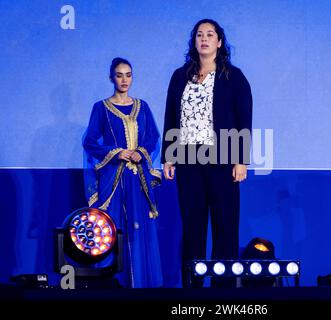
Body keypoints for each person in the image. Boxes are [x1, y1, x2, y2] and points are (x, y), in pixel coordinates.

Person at [162, 19, 252, 287]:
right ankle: (192, 288)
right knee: (193, 228)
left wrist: (241, 160)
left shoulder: (233, 76)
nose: (204, 39)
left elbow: (244, 119)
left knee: (225, 227)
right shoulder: (180, 76)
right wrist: (168, 155)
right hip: (189, 161)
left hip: (222, 160)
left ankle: (222, 290)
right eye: (199, 35)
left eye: (210, 35)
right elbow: (171, 116)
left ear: (219, 42)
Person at [83, 57, 163, 288]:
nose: (124, 79)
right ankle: (108, 287)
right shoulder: (101, 108)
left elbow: (153, 138)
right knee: (111, 227)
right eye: (119, 75)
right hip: (113, 179)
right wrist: (117, 153)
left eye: (128, 75)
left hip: (137, 179)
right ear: (111, 78)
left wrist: (140, 151)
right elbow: (90, 142)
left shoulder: (142, 106)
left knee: (139, 227)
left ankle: (141, 286)